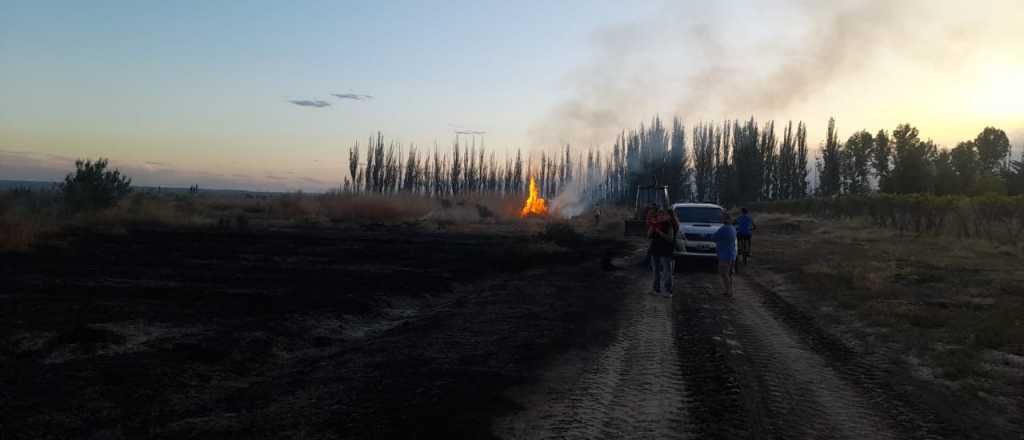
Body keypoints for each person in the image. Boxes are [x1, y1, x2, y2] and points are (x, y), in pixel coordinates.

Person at [648, 206, 678, 297]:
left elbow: (670, 238)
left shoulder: (669, 225)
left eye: (663, 215)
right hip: (655, 249)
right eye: (659, 215)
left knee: (667, 271)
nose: (660, 216)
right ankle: (656, 289)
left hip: (666, 250)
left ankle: (668, 291)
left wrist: (659, 232)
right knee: (656, 271)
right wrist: (652, 228)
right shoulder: (655, 224)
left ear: (667, 216)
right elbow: (649, 235)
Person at [712, 211, 737, 296]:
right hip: (732, 254)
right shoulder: (733, 228)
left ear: (726, 219)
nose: (721, 219)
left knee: (723, 273)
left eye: (722, 217)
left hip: (724, 255)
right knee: (729, 274)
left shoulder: (723, 228)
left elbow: (714, 237)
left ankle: (728, 291)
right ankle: (730, 290)